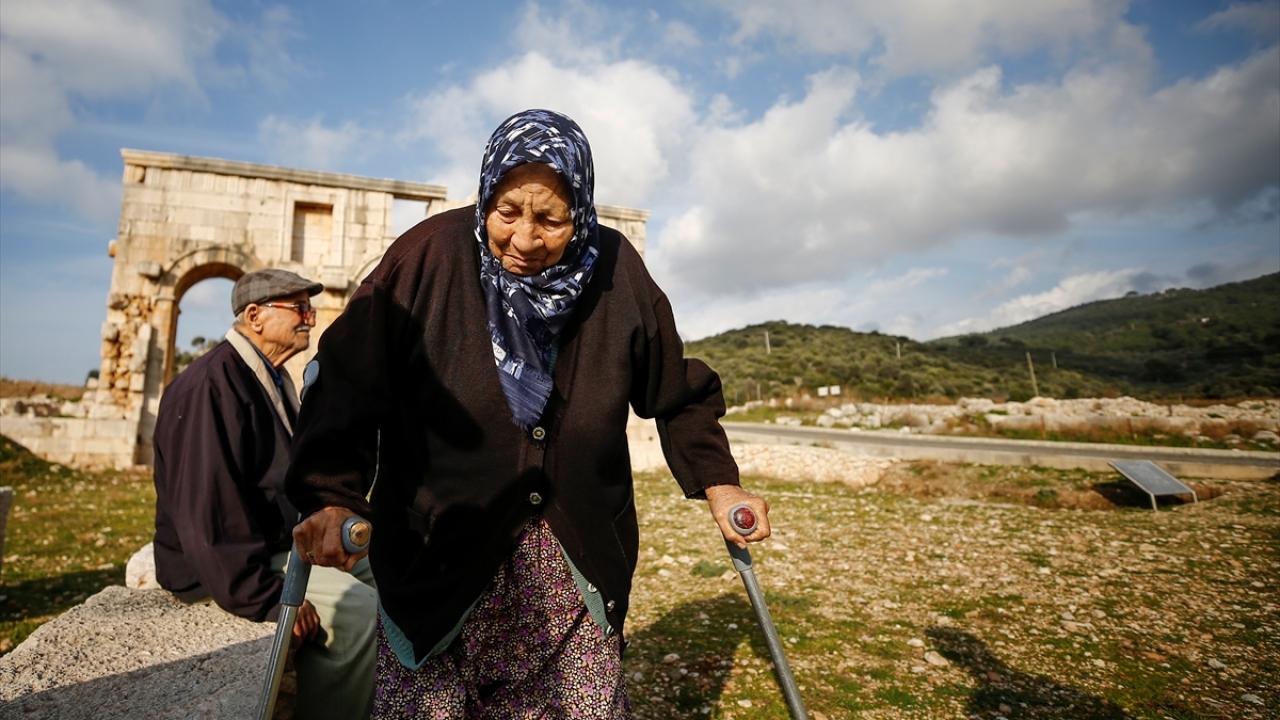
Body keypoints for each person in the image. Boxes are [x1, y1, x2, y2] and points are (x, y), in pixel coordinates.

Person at [285, 109, 771, 718]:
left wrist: (720, 484)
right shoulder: (427, 256)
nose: (524, 238)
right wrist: (331, 493)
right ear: (486, 194)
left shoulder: (617, 271)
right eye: (508, 212)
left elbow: (676, 389)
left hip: (574, 567)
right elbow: (347, 380)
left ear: (582, 213)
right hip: (438, 557)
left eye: (551, 219)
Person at [151, 268, 377, 720]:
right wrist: (268, 599)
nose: (310, 319)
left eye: (309, 309)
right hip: (230, 566)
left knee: (395, 566)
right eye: (299, 308)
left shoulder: (267, 377)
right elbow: (207, 515)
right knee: (359, 613)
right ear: (254, 316)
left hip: (277, 543)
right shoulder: (209, 387)